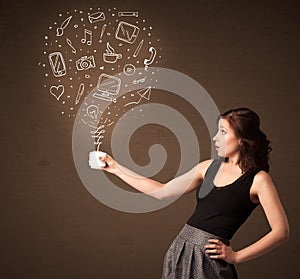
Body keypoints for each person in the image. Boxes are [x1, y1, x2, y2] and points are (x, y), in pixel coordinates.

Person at [98, 107, 290, 279]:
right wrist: (115, 167)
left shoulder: (259, 179)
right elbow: (162, 191)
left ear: (241, 140)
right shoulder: (208, 167)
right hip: (180, 249)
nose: (215, 137)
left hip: (208, 260)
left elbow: (281, 231)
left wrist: (237, 256)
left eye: (223, 132)